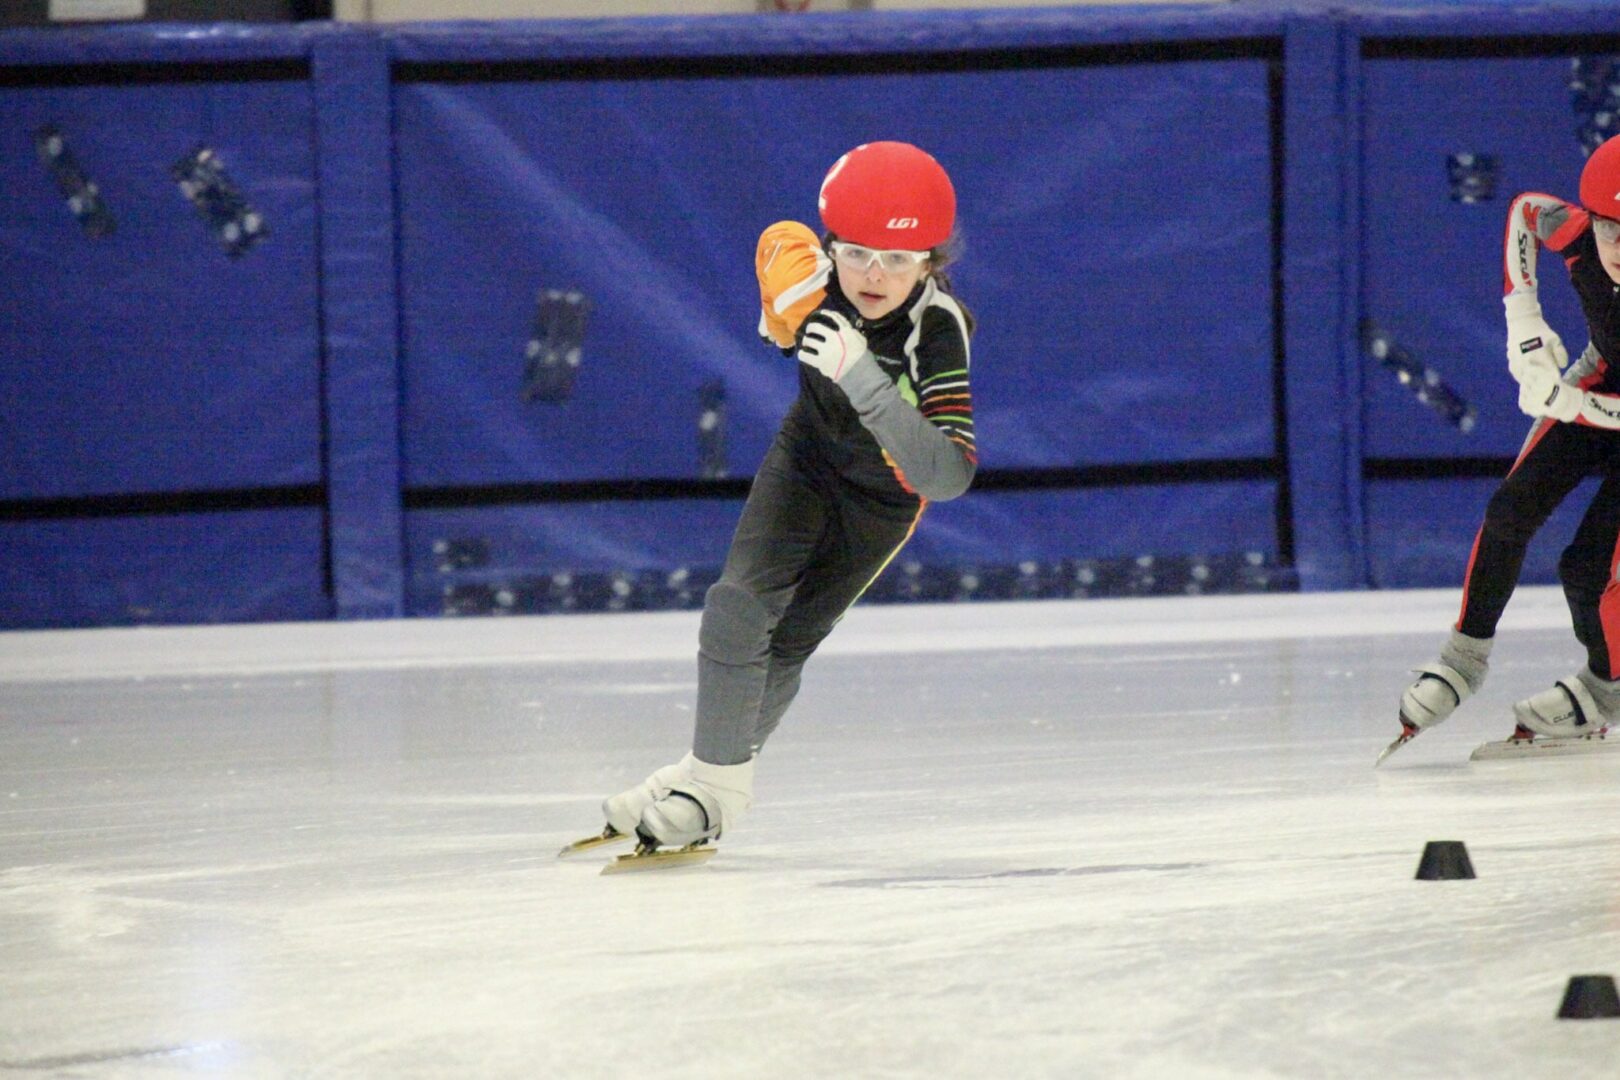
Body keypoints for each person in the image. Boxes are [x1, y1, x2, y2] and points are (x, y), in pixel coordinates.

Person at [598, 141, 978, 851]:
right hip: (806, 457)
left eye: (898, 260)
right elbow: (779, 251)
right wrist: (780, 309)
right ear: (834, 245)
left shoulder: (937, 330)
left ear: (929, 263)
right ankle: (713, 791)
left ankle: (701, 779)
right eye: (858, 252)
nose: (874, 275)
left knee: (789, 641)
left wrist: (862, 375)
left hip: (883, 497)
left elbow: (947, 475)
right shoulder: (820, 282)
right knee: (737, 610)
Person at [1392, 132, 1620, 754]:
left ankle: (1607, 688)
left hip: (1602, 401)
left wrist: (1570, 402)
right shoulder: (1576, 236)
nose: (1619, 249)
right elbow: (1525, 210)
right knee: (1510, 510)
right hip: (1602, 376)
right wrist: (1524, 317)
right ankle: (1463, 658)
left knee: (1588, 570)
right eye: (1610, 229)